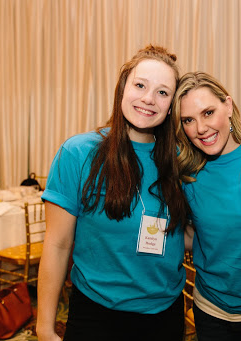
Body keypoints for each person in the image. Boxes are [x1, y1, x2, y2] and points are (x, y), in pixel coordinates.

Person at [36, 45, 189, 341]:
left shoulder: (182, 160)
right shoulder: (79, 153)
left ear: (171, 106)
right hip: (96, 315)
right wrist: (44, 326)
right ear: (122, 89)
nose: (148, 98)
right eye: (140, 85)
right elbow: (57, 244)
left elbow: (187, 233)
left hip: (165, 315)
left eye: (162, 92)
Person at [171, 71, 241, 341]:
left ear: (228, 106)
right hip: (209, 309)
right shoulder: (187, 172)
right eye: (188, 120)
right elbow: (195, 235)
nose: (200, 128)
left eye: (208, 113)